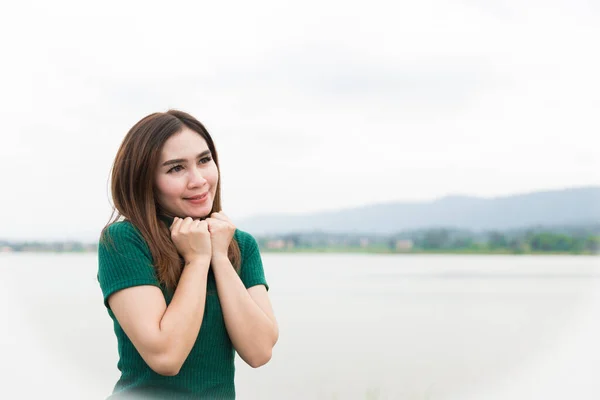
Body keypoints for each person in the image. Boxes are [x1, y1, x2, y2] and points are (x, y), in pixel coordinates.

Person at [97, 110, 278, 399]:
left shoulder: (239, 244)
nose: (198, 180)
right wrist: (196, 261)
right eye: (175, 168)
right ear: (146, 180)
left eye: (204, 161)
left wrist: (219, 257)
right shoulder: (125, 240)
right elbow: (166, 356)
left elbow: (259, 351)